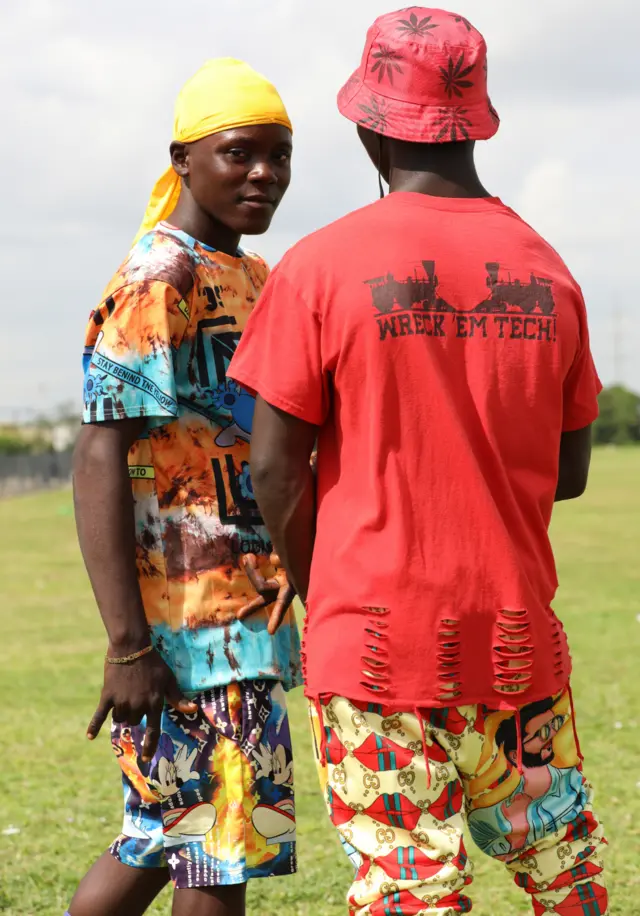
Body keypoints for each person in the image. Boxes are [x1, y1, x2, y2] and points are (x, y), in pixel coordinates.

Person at [228, 9, 608, 916]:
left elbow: (276, 470)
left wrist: (330, 588)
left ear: (367, 125)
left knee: (410, 893)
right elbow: (574, 471)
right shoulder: (548, 271)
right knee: (565, 877)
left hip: (374, 652)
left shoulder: (319, 269)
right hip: (519, 648)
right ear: (476, 120)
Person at [69, 58, 300, 916]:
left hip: (242, 612)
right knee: (214, 853)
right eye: (240, 153)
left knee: (168, 840)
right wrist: (128, 644)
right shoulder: (160, 275)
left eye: (279, 156)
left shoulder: (251, 275)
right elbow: (99, 454)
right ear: (183, 160)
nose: (263, 174)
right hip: (189, 625)